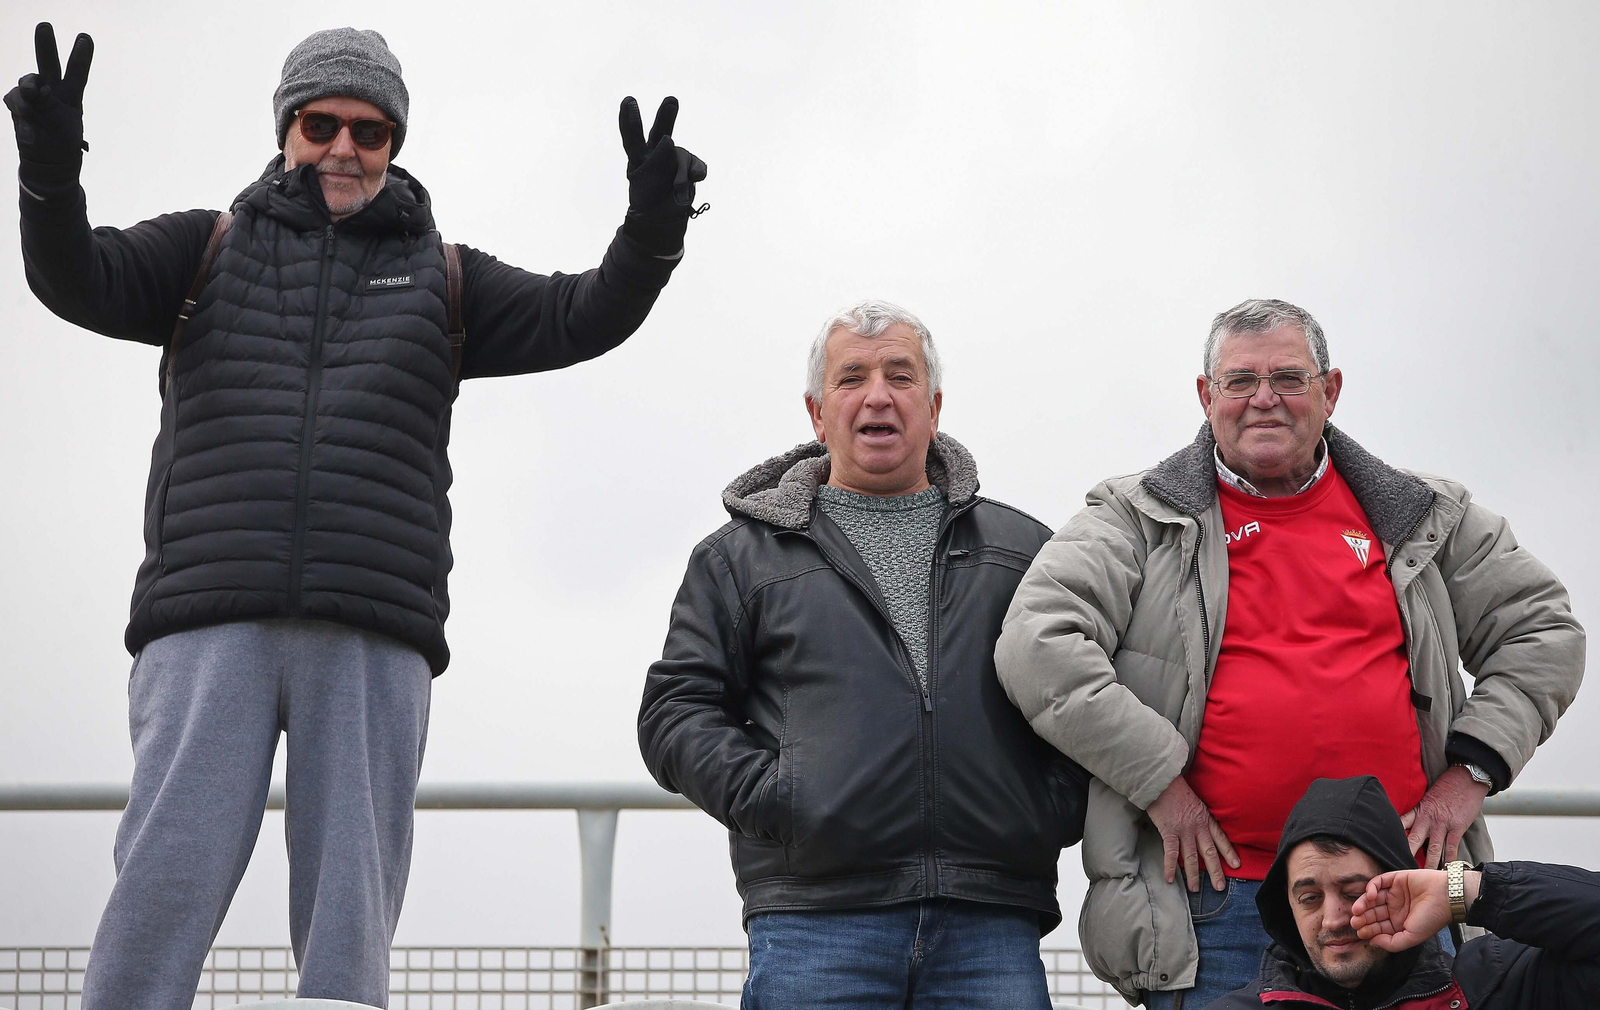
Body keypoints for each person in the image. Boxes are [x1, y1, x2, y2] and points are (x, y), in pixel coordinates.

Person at [7, 22, 704, 1010]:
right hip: (208, 621)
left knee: (350, 914)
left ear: (393, 143)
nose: (343, 147)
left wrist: (652, 228)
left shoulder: (444, 276)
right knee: (161, 883)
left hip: (373, 634)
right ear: (286, 129)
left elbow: (580, 313)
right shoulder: (202, 249)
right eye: (321, 123)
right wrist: (48, 172)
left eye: (369, 131)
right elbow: (72, 276)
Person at [995, 298, 1584, 1007]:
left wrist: (1472, 771)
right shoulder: (1136, 517)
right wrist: (1158, 782)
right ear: (1206, 395)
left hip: (1402, 894)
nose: (1263, 399)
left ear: (1330, 391)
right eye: (1240, 381)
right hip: (1214, 905)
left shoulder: (1424, 514)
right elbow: (1037, 642)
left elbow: (1542, 631)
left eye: (1288, 379)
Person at [638, 300, 1087, 1009]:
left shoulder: (1024, 551)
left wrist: (1043, 809)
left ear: (933, 407)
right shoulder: (739, 559)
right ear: (817, 414)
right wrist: (782, 798)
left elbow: (1083, 692)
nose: (877, 395)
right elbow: (674, 713)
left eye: (900, 376)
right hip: (815, 922)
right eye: (852, 378)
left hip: (990, 920)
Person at [1206, 775, 1600, 1009]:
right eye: (1309, 898)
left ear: (1404, 884)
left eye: (1354, 892)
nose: (1333, 919)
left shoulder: (1494, 984)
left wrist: (1464, 891)